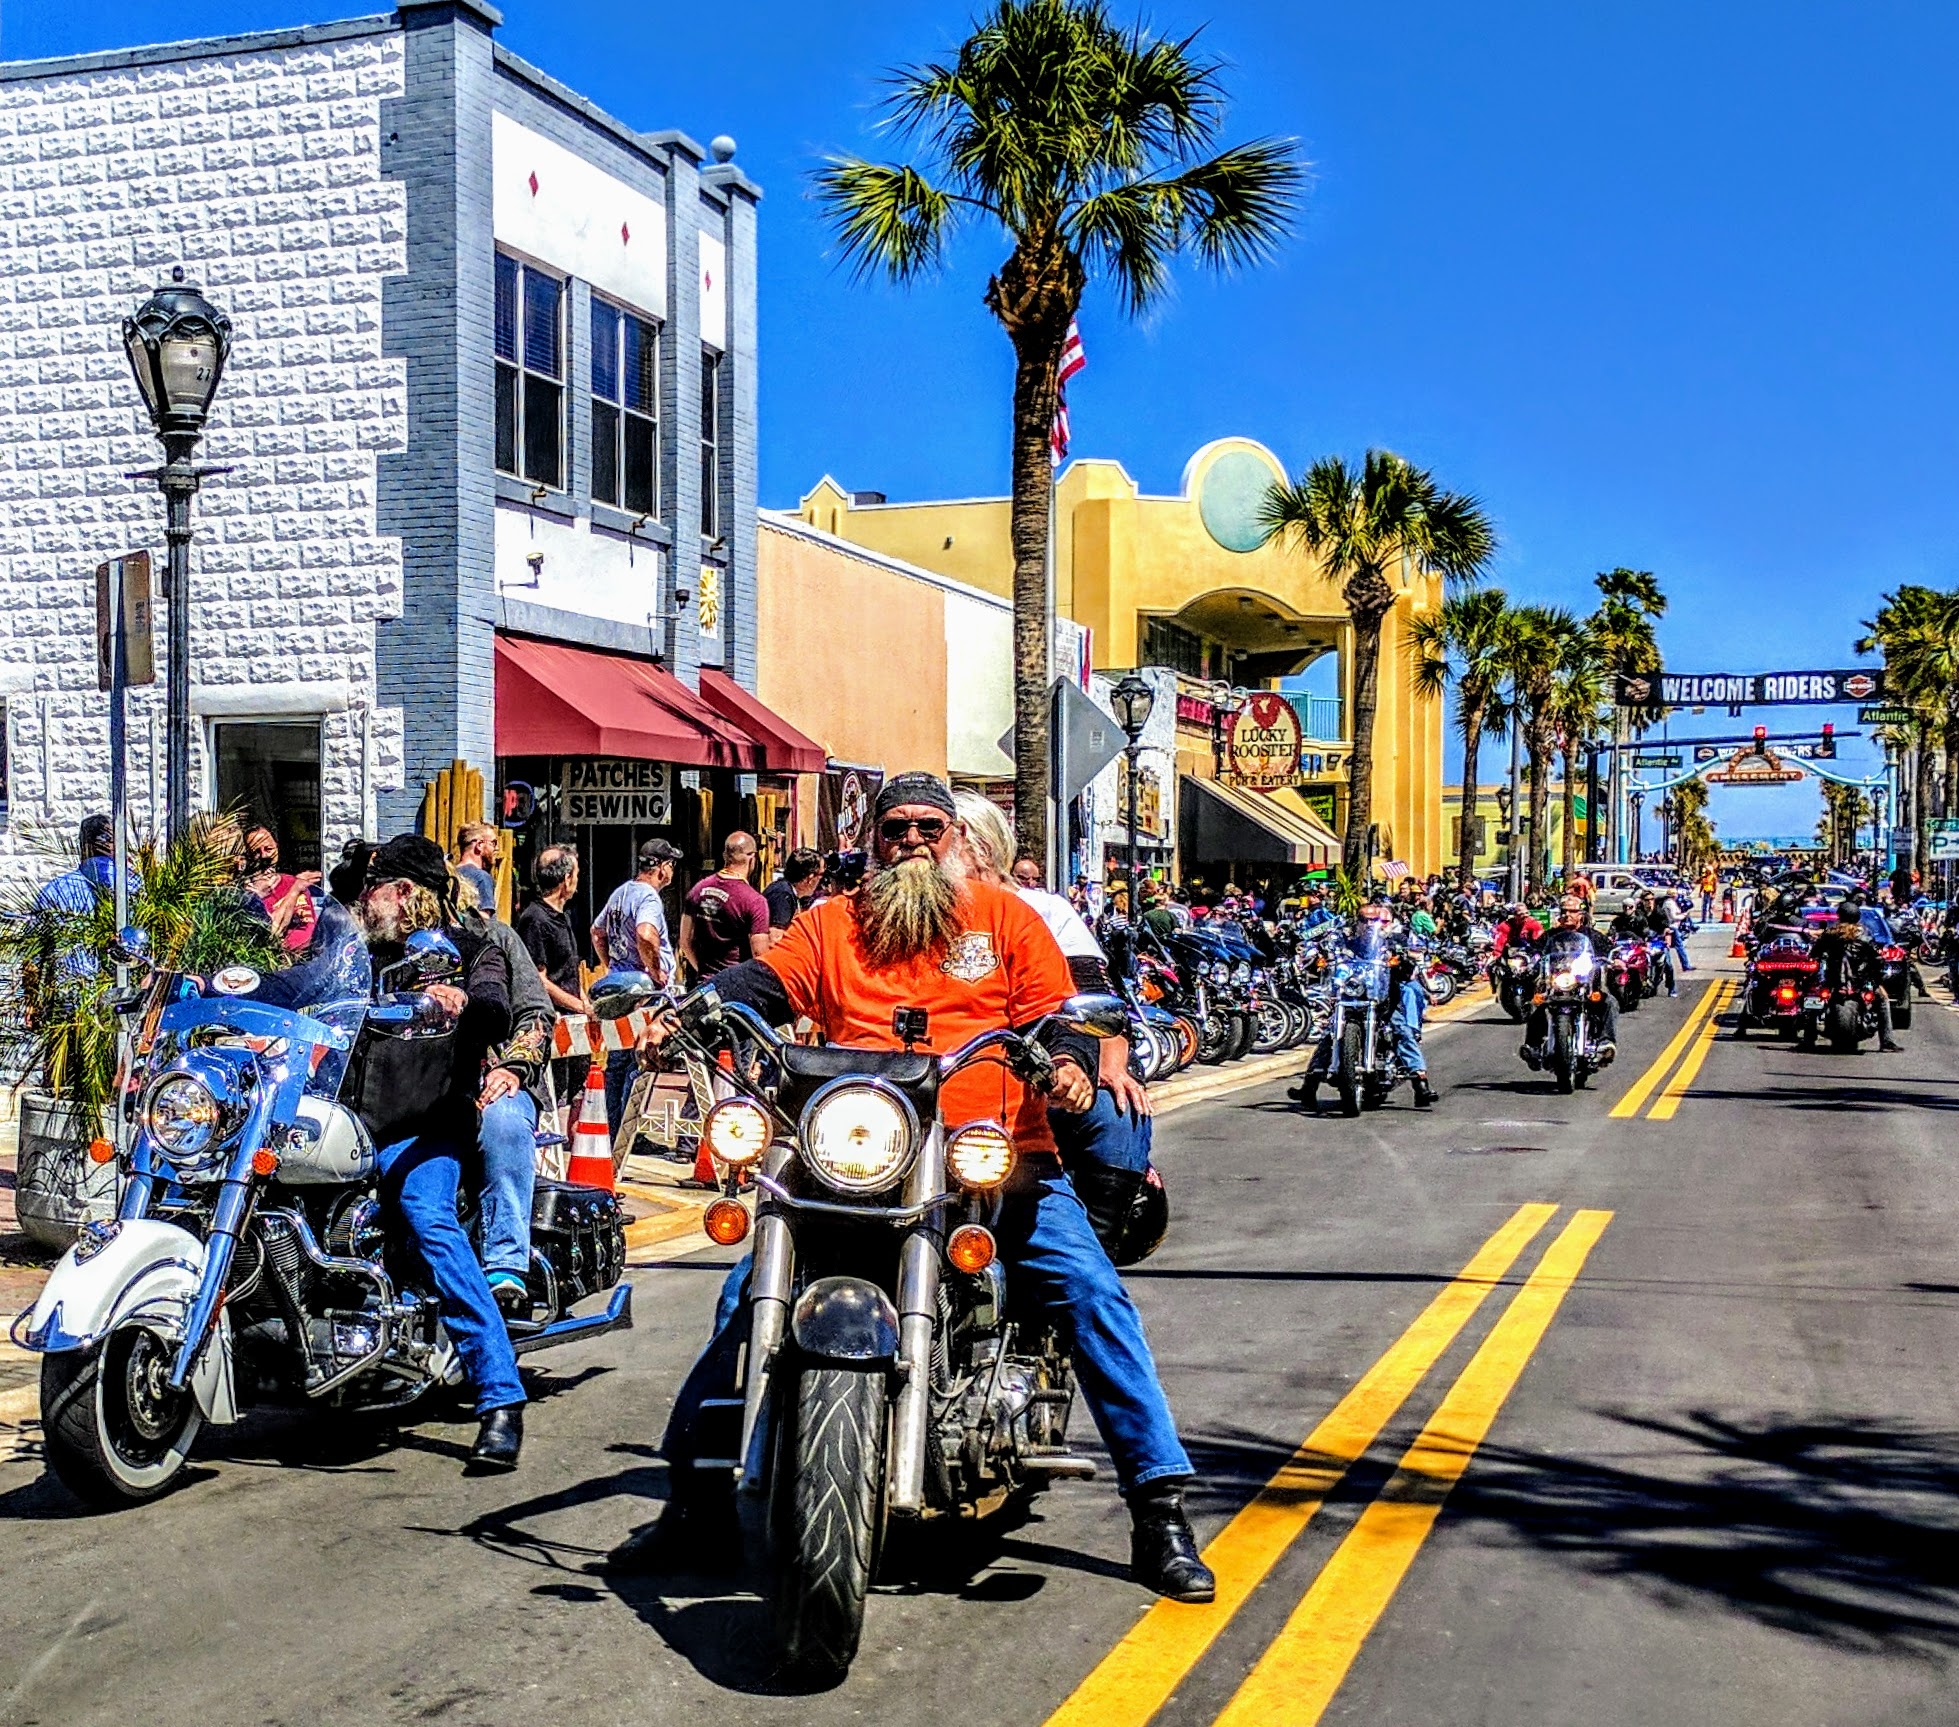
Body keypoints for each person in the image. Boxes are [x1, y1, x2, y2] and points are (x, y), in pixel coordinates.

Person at [656, 771, 1215, 1603]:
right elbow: (766, 984)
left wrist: (1064, 1059)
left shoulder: (1003, 920)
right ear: (872, 840)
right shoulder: (833, 925)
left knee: (1092, 1295)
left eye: (928, 827)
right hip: (855, 1163)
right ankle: (689, 1504)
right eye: (895, 828)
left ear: (955, 838)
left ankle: (1158, 1507)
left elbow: (1052, 1011)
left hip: (995, 1158)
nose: (912, 841)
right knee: (744, 1295)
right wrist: (699, 1006)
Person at [354, 834, 544, 1469]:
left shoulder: (470, 948)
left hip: (427, 1123)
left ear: (404, 894)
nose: (362, 901)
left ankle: (499, 1394)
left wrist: (465, 1003)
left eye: (372, 890)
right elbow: (293, 983)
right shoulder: (355, 955)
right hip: (348, 1122)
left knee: (428, 1213)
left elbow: (497, 1002)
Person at [956, 794, 1156, 1252]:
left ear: (983, 849)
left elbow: (1097, 997)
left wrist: (1107, 1066)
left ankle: (1094, 1249)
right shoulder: (918, 913)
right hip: (953, 1075)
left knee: (1116, 1112)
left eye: (947, 837)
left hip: (1044, 1065)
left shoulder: (1045, 911)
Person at [466, 888, 556, 1314]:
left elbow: (536, 1012)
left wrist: (512, 1067)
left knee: (503, 1122)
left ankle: (505, 1262)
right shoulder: (385, 944)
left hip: (494, 1079)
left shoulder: (498, 939)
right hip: (420, 1084)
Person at [1292, 899, 1436, 1109]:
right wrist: (1319, 955)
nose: (1369, 924)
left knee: (1401, 1030)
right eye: (1364, 920)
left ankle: (1421, 1084)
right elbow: (1326, 952)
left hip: (1383, 1000)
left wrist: (1404, 958)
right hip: (1351, 998)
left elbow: (1409, 962)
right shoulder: (1347, 940)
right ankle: (1309, 1085)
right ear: (1357, 921)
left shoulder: (1393, 940)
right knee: (1329, 1034)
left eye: (1374, 920)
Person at [591, 838, 681, 1141]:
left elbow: (596, 932)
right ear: (661, 867)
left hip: (621, 990)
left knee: (616, 1064)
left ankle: (612, 1129)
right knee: (639, 1062)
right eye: (671, 864)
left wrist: (612, 967)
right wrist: (655, 973)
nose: (672, 871)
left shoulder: (621, 893)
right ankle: (628, 1134)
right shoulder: (649, 898)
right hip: (644, 994)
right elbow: (645, 933)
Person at [516, 845, 593, 1122]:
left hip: (574, 1017)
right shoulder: (534, 919)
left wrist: (584, 999)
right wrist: (578, 1006)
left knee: (579, 1093)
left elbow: (569, 969)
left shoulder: (564, 917)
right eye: (576, 874)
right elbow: (540, 980)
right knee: (552, 1096)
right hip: (553, 1020)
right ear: (566, 879)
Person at [1520, 896, 1619, 1070]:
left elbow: (1609, 950)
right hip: (1556, 985)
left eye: (1571, 911)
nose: (1567, 915)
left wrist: (1615, 960)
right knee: (1536, 1003)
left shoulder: (1592, 936)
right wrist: (1526, 959)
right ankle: (1533, 1046)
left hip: (1584, 985)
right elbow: (1535, 950)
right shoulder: (1551, 936)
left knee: (1609, 1002)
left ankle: (1605, 1043)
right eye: (1564, 911)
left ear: (1581, 914)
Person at [1810, 901, 1903, 1052]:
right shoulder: (1865, 935)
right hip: (1859, 982)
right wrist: (1877, 980)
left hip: (1834, 981)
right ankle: (1887, 1042)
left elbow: (1814, 953)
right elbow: (1878, 959)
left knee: (1813, 1001)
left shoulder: (1830, 934)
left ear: (1839, 916)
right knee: (1883, 1000)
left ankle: (1808, 1039)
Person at [679, 832, 773, 980]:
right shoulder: (755, 901)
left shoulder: (697, 890)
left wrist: (703, 972)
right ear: (751, 857)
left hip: (704, 986)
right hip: (737, 988)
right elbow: (760, 954)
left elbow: (684, 941)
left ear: (725, 856)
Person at [240, 825, 321, 953]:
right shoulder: (249, 894)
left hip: (311, 957)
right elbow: (273, 931)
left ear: (277, 848)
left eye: (269, 849)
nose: (264, 855)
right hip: (281, 961)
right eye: (256, 852)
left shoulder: (292, 881)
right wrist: (295, 890)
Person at [763, 847, 823, 932]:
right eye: (821, 875)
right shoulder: (782, 895)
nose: (821, 879)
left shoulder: (789, 892)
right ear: (810, 878)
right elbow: (775, 937)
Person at [452, 821, 500, 912]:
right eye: (494, 842)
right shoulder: (481, 878)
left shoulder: (451, 874)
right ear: (479, 845)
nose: (497, 848)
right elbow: (486, 920)